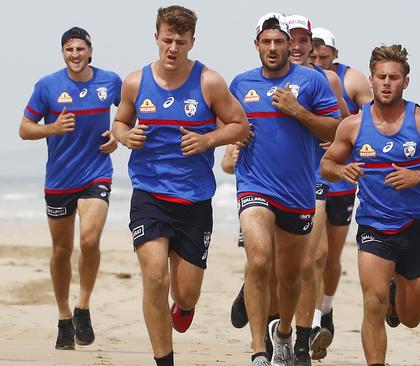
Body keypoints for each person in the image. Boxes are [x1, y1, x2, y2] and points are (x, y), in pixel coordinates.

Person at [111, 6, 249, 366]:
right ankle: (164, 360)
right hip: (149, 195)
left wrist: (208, 141)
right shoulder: (135, 82)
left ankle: (182, 308)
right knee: (154, 275)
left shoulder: (209, 82)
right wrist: (128, 136)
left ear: (192, 42)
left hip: (194, 200)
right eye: (167, 39)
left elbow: (239, 125)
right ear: (156, 37)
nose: (173, 48)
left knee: (185, 295)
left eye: (181, 42)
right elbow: (119, 123)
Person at [321, 44, 420, 366]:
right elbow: (326, 165)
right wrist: (342, 170)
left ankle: (398, 293)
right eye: (381, 77)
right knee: (373, 302)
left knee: (411, 318)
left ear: (405, 81)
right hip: (374, 226)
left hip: (416, 226)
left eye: (394, 77)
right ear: (370, 80)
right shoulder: (353, 126)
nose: (387, 83)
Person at [229, 13, 341, 366]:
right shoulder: (240, 83)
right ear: (257, 45)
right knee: (260, 258)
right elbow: (223, 121)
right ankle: (258, 349)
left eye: (280, 42)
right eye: (267, 42)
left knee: (291, 276)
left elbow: (334, 130)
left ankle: (284, 334)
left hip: (297, 191)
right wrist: (233, 137)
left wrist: (298, 112)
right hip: (254, 186)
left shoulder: (312, 81)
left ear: (290, 45)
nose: (274, 48)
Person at [19, 26, 121, 351]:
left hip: (97, 174)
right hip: (60, 180)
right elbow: (24, 129)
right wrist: (52, 127)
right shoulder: (47, 86)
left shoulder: (110, 82)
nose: (75, 54)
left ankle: (84, 306)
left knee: (89, 240)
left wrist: (118, 136)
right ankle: (64, 317)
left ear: (90, 51)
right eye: (69, 49)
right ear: (63, 53)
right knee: (61, 251)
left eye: (80, 49)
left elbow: (127, 114)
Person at [282, 14, 351, 365]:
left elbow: (345, 124)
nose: (295, 47)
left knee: (317, 257)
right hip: (276, 180)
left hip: (319, 179)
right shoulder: (265, 77)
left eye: (301, 40)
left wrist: (334, 140)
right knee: (273, 261)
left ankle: (310, 328)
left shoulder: (328, 80)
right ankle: (273, 322)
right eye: (288, 39)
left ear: (311, 46)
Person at [310, 28, 374, 359]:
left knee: (332, 256)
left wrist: (340, 130)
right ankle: (315, 321)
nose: (318, 60)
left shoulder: (352, 80)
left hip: (345, 179)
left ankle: (328, 308)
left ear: (335, 55)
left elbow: (373, 118)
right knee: (316, 254)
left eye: (324, 56)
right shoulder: (304, 79)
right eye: (313, 56)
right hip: (317, 175)